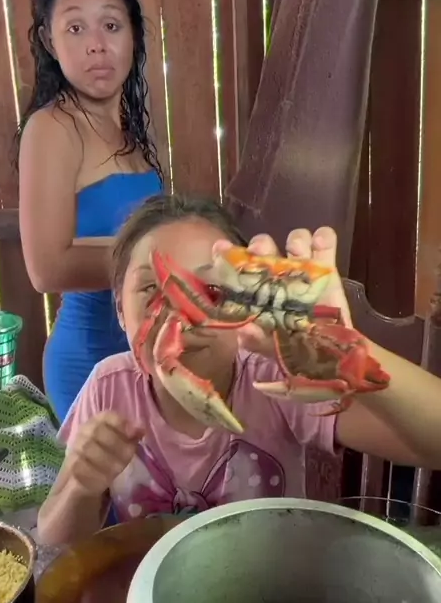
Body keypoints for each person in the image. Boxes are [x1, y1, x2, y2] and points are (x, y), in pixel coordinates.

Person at [36, 195, 441, 545]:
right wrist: (81, 486)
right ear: (121, 311)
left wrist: (352, 352)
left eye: (211, 290)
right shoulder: (109, 389)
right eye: (151, 289)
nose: (181, 315)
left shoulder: (274, 378)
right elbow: (53, 538)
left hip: (272, 590)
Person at [17, 0, 163, 423]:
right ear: (50, 40)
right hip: (88, 362)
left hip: (143, 359)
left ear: (133, 33)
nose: (96, 45)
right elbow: (47, 268)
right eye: (76, 28)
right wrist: (165, 257)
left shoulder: (129, 134)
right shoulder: (52, 128)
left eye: (111, 25)